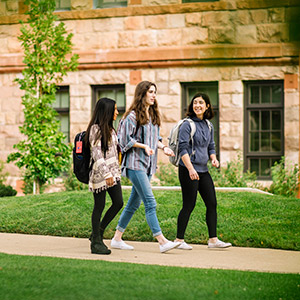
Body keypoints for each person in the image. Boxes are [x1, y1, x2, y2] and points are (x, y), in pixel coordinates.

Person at [111, 81, 180, 253]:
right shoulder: (132, 117)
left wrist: (164, 148)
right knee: (150, 202)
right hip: (134, 165)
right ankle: (162, 241)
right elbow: (124, 140)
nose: (154, 95)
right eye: (150, 92)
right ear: (142, 94)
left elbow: (154, 140)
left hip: (148, 166)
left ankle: (117, 238)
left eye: (155, 92)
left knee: (133, 205)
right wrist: (143, 147)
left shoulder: (153, 117)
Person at [175, 92, 232, 250]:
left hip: (203, 170)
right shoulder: (187, 124)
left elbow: (211, 146)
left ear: (207, 106)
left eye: (201, 103)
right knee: (189, 204)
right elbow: (183, 148)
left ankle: (213, 240)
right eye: (195, 103)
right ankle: (179, 240)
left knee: (212, 203)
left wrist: (213, 158)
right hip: (188, 169)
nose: (197, 105)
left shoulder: (208, 125)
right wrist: (191, 169)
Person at [85, 97, 124, 255]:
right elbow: (96, 154)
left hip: (113, 175)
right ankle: (96, 243)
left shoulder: (111, 129)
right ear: (106, 111)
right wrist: (106, 173)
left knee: (118, 202)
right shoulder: (96, 129)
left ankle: (97, 233)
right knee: (99, 206)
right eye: (114, 109)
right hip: (101, 175)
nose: (117, 112)